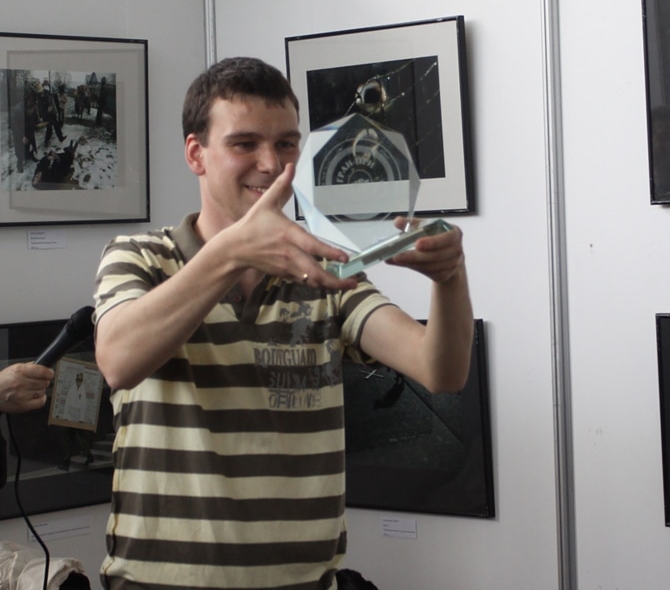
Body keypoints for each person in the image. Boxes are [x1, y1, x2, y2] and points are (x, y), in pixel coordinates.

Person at [92, 56, 473, 590]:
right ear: (196, 153)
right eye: (244, 143)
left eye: (287, 144)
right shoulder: (140, 256)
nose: (271, 164)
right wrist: (230, 253)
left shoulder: (322, 267)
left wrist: (450, 277)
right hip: (158, 580)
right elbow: (118, 361)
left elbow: (441, 371)